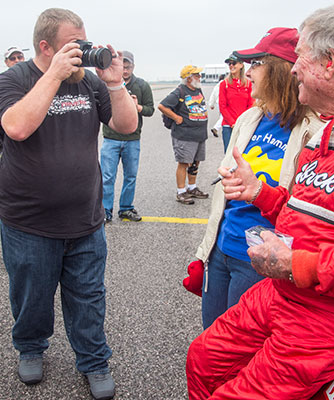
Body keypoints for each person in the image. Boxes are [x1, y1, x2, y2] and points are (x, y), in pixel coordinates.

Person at [186, 3, 334, 399]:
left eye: (300, 56)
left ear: (329, 63)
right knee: (203, 359)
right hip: (288, 293)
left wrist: (299, 263)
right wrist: (263, 195)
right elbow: (323, 210)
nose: (291, 68)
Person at [0, 8, 138, 400]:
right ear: (45, 47)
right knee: (31, 295)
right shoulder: (12, 80)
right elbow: (17, 126)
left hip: (86, 218)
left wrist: (113, 84)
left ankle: (94, 360)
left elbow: (127, 127)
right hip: (28, 221)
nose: (84, 52)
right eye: (73, 46)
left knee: (89, 296)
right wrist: (54, 75)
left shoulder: (90, 84)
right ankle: (30, 346)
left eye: (85, 42)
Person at [193, 27, 325, 329]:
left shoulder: (314, 131)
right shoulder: (249, 118)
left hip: (261, 260)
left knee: (244, 354)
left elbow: (311, 212)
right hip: (222, 250)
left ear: (280, 71)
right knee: (212, 340)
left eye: (256, 64)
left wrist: (258, 191)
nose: (247, 73)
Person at [101, 50, 154, 223]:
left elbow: (150, 109)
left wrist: (137, 108)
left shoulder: (142, 85)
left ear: (133, 66)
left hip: (132, 139)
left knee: (130, 176)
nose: (124, 70)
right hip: (110, 138)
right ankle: (105, 210)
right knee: (107, 177)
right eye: (122, 66)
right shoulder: (106, 84)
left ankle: (125, 208)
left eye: (128, 66)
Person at [158, 65, 209, 205]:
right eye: (197, 75)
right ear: (188, 78)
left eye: (199, 74)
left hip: (199, 134)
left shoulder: (197, 90)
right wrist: (176, 117)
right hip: (185, 134)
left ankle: (192, 188)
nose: (200, 77)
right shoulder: (179, 92)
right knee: (184, 163)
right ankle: (181, 192)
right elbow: (162, 106)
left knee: (195, 162)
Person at [219, 54, 254, 152]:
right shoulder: (224, 84)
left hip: (244, 125)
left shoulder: (248, 84)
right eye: (229, 64)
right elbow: (222, 106)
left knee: (243, 153)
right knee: (229, 153)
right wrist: (233, 123)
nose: (231, 66)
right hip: (229, 126)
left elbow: (251, 104)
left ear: (241, 65)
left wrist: (243, 122)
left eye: (233, 63)